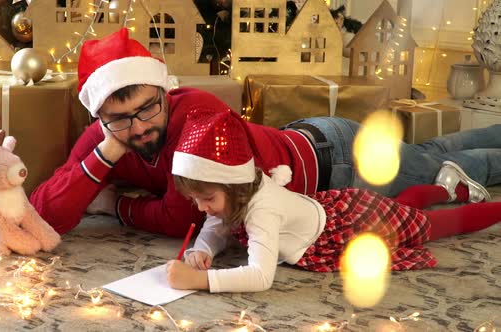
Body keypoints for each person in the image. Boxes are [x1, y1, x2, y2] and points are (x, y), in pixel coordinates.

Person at [30, 27, 501, 238]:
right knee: (429, 151)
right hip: (308, 144)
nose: (140, 126)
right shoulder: (107, 138)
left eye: (148, 108)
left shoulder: (197, 113)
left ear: (163, 90)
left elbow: (185, 220)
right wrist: (104, 155)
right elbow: (46, 215)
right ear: (100, 117)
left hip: (335, 163)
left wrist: (115, 204)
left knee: (442, 167)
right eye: (120, 118)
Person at [165, 109, 499, 293]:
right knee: (408, 210)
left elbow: (260, 277)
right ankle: (448, 188)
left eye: (207, 198)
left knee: (429, 225)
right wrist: (203, 250)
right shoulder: (239, 191)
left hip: (352, 224)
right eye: (196, 199)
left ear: (235, 187)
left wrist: (200, 280)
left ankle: (470, 199)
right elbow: (216, 225)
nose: (201, 208)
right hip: (333, 208)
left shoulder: (261, 209)